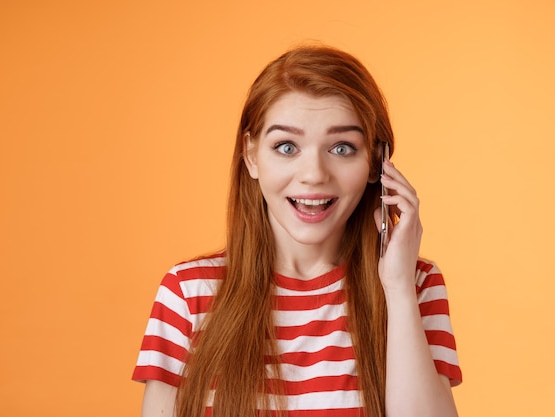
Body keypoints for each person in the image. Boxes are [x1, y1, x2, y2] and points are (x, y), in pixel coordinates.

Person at [132, 44, 462, 417]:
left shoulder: (416, 286)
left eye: (341, 148)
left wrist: (398, 289)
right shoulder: (188, 294)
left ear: (376, 164)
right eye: (287, 146)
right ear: (252, 155)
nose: (313, 175)